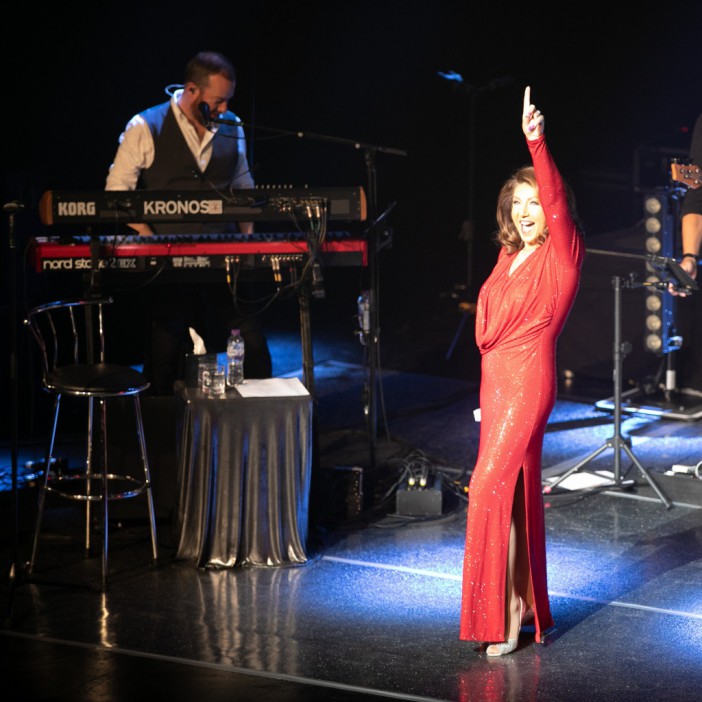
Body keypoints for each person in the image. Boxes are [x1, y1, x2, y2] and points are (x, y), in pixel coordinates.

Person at [459, 86, 585, 656]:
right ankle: (519, 604)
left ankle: (506, 615)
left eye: (534, 203)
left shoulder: (562, 255)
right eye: (518, 204)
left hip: (529, 383)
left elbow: (556, 199)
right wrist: (487, 393)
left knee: (486, 488)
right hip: (497, 382)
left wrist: (536, 141)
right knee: (507, 496)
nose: (527, 212)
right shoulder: (509, 256)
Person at [105, 50, 272, 394]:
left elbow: (243, 189)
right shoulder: (145, 126)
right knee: (165, 350)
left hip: (224, 257)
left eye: (228, 101)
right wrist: (152, 244)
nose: (224, 108)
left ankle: (257, 430)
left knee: (252, 341)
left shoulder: (232, 125)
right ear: (191, 90)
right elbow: (117, 193)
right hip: (168, 263)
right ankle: (162, 437)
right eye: (218, 100)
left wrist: (248, 245)